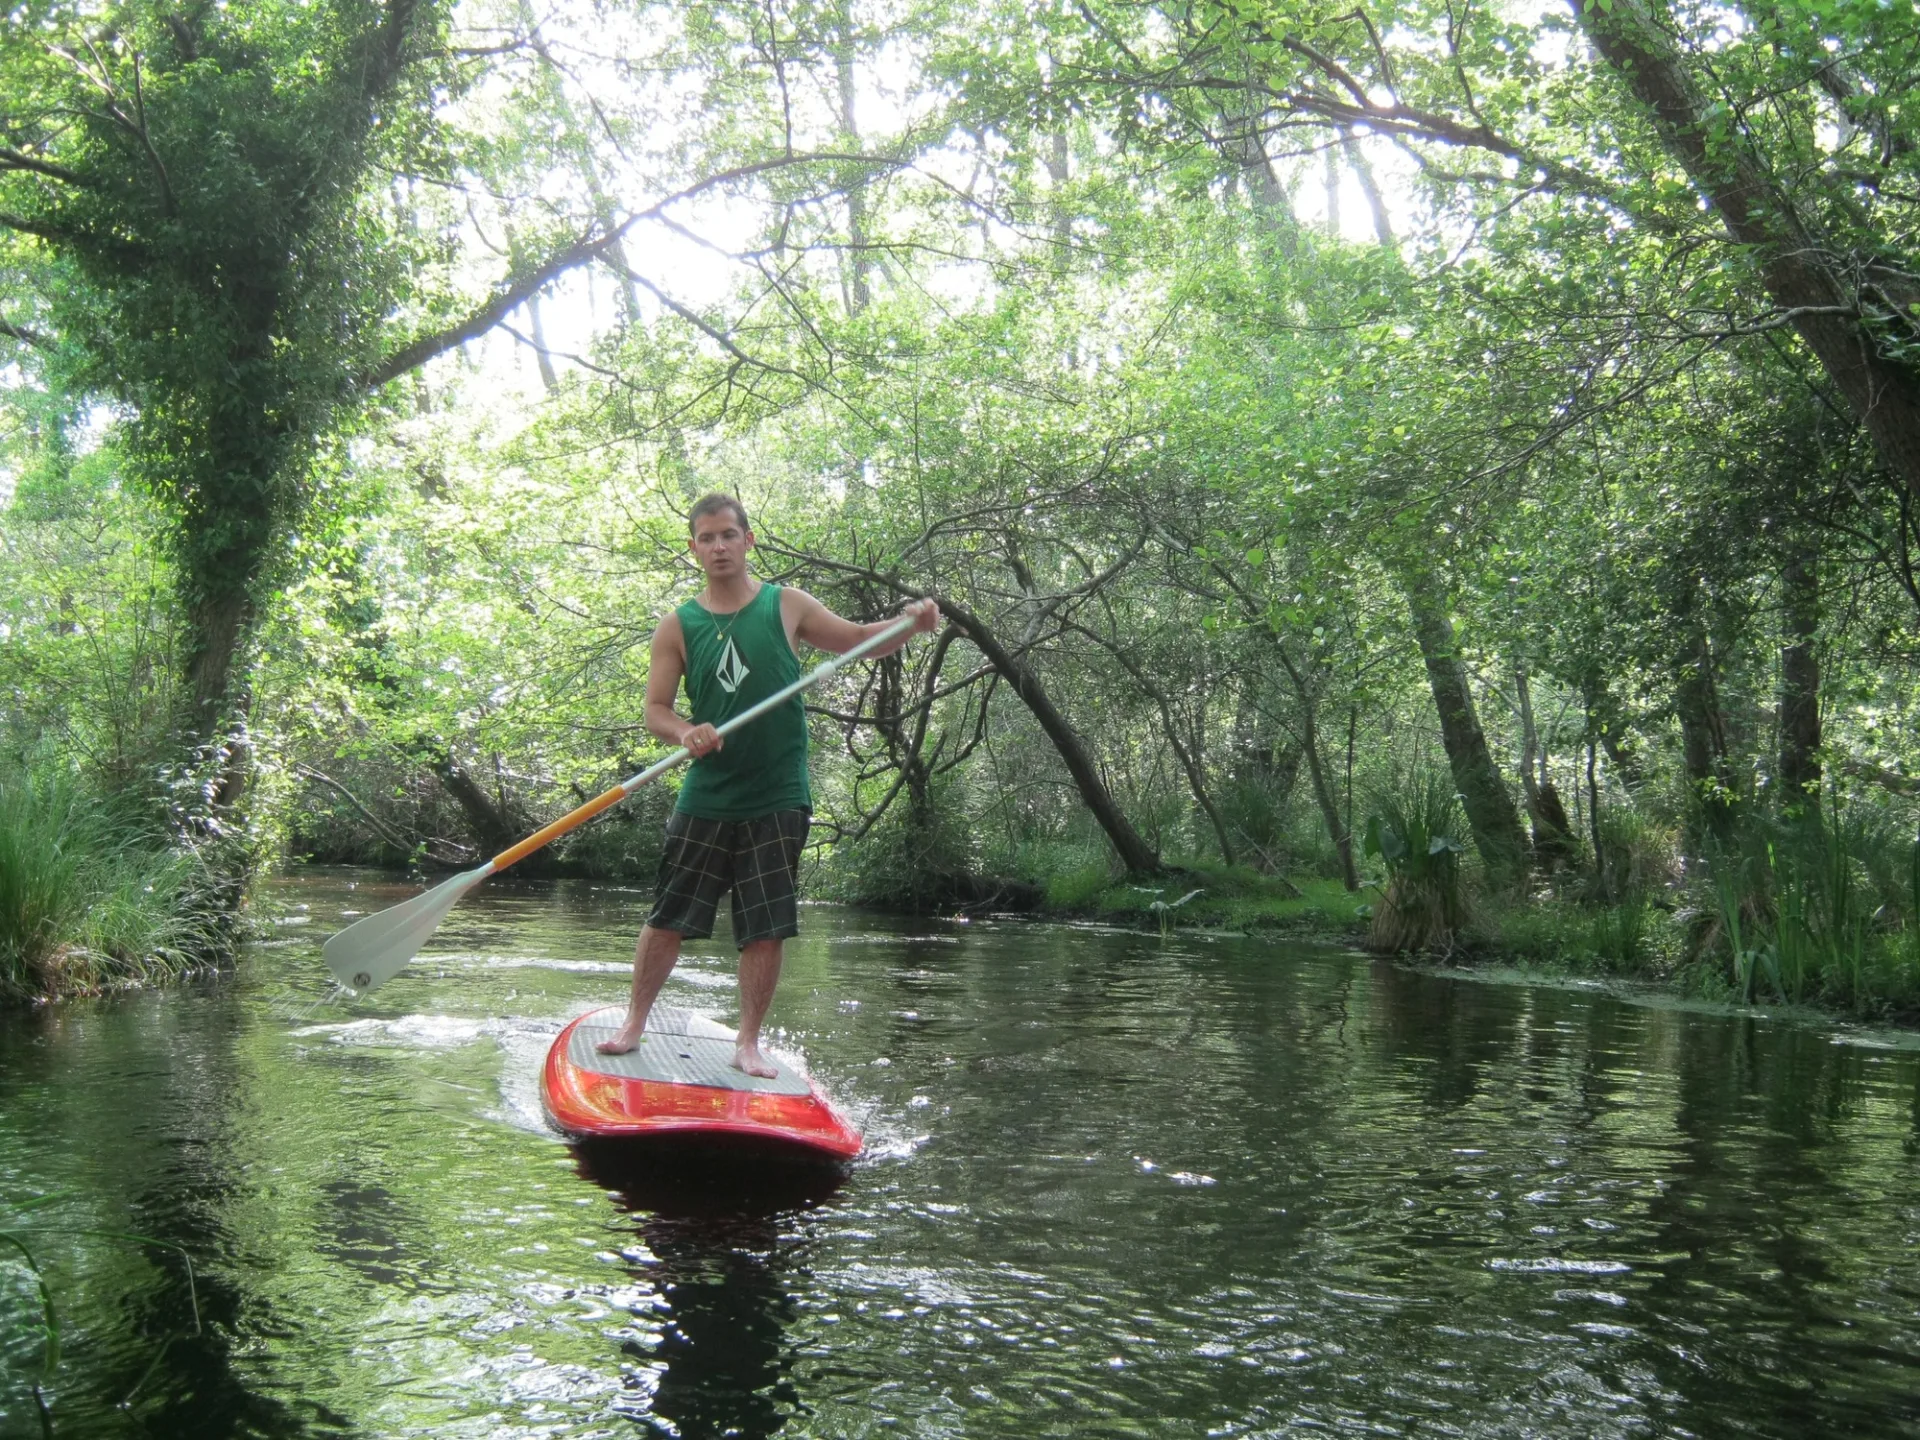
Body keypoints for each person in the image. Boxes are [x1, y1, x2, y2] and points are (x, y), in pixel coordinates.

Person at [595, 492, 940, 1075]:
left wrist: (910, 624)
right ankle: (634, 1025)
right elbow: (655, 709)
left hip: (778, 794)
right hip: (707, 792)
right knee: (667, 916)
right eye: (706, 538)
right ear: (694, 549)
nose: (719, 546)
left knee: (765, 924)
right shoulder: (678, 625)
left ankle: (748, 1043)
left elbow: (859, 638)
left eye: (729, 534)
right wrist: (685, 732)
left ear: (748, 540)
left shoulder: (787, 606)